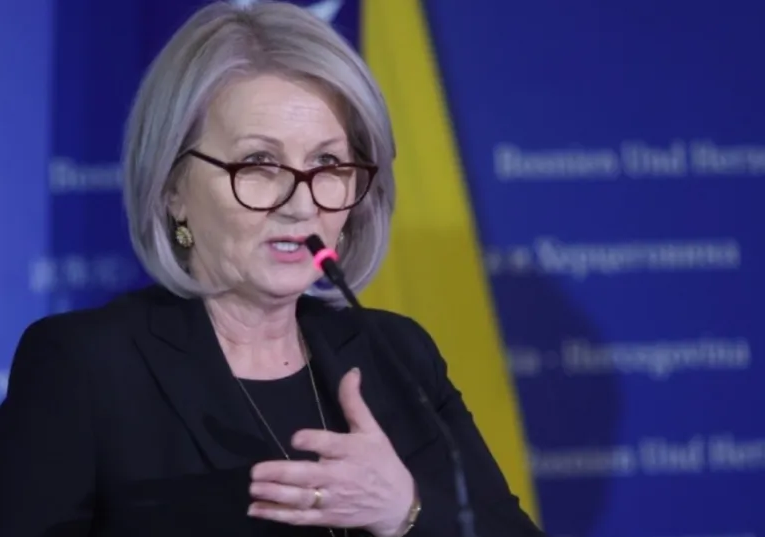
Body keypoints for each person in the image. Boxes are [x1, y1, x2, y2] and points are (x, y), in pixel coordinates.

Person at [0, 2, 544, 537]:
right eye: (259, 163)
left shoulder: (396, 356)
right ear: (172, 188)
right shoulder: (84, 367)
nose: (300, 205)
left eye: (327, 163)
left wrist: (404, 509)